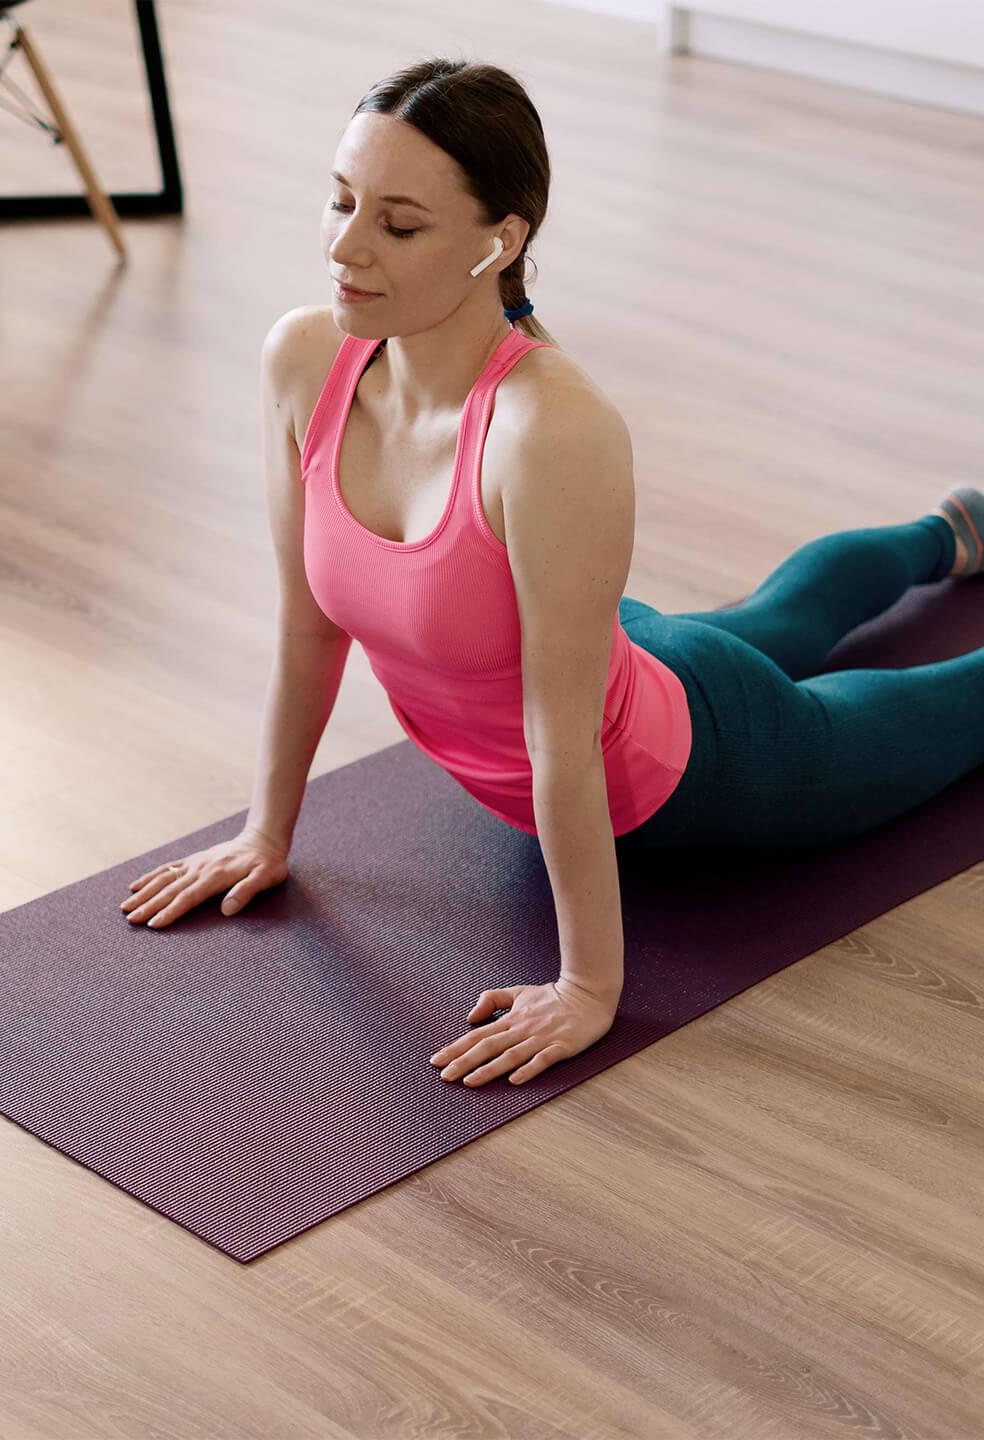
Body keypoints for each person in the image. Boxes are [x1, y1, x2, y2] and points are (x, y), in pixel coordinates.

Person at [119, 57, 984, 1089]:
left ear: (504, 239)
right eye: (341, 200)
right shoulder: (306, 359)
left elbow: (560, 736)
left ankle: (945, 544)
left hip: (702, 764)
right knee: (779, 613)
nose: (346, 247)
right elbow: (309, 628)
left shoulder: (551, 429)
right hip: (611, 655)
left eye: (398, 225)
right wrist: (265, 833)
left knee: (922, 698)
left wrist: (588, 987)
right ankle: (950, 533)